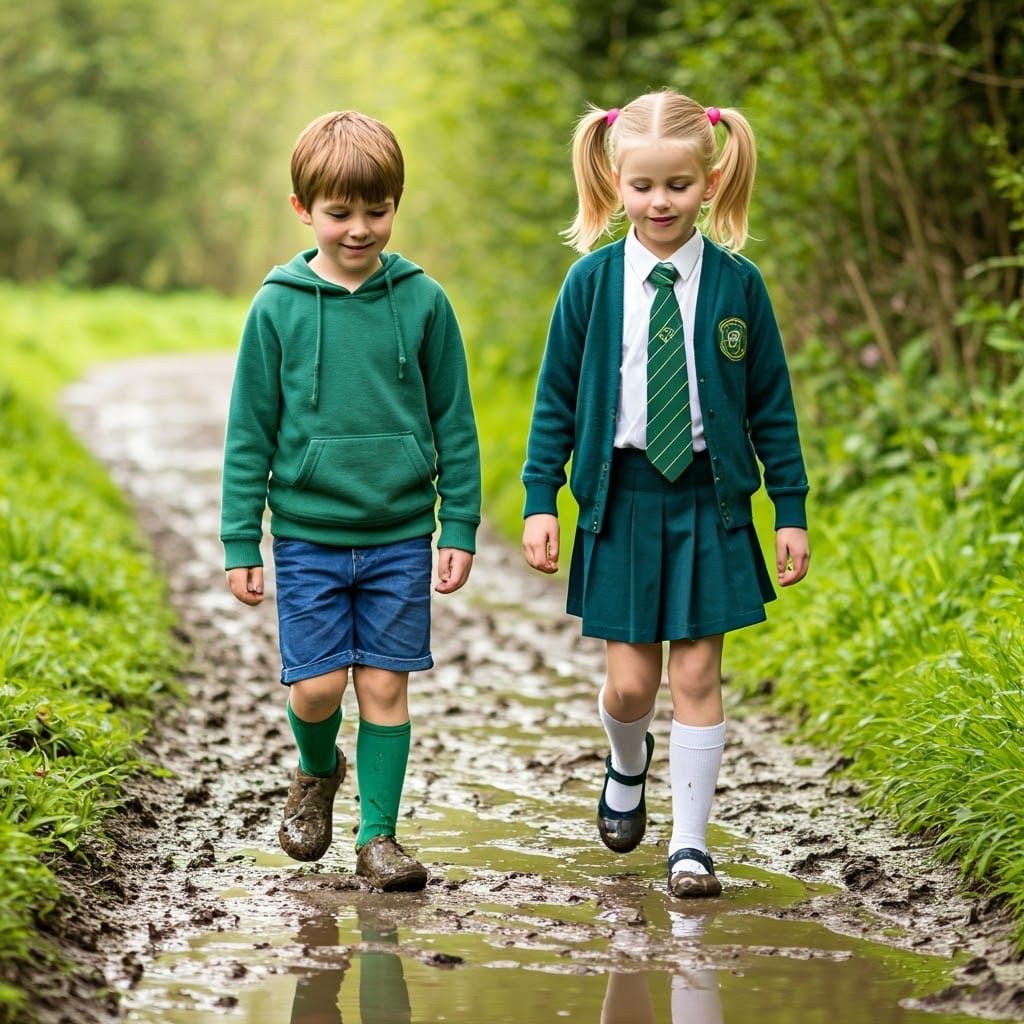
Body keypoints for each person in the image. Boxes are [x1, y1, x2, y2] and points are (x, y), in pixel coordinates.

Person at [521, 89, 809, 898]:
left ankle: (689, 846)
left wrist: (788, 509)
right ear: (615, 183)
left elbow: (770, 406)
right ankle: (625, 758)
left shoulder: (738, 287)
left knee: (697, 679)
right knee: (633, 686)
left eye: (677, 186)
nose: (659, 203)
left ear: (710, 181)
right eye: (642, 187)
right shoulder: (589, 285)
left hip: (710, 501)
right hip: (621, 499)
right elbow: (554, 401)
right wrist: (542, 497)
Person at [221, 110, 481, 892]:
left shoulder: (424, 302)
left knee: (384, 688)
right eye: (340, 213)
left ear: (396, 204)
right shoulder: (278, 307)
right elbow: (249, 431)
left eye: (377, 210)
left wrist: (459, 522)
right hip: (307, 535)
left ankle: (379, 838)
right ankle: (315, 769)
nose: (360, 228)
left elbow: (456, 422)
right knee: (316, 688)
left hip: (401, 533)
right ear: (304, 210)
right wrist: (242, 540)